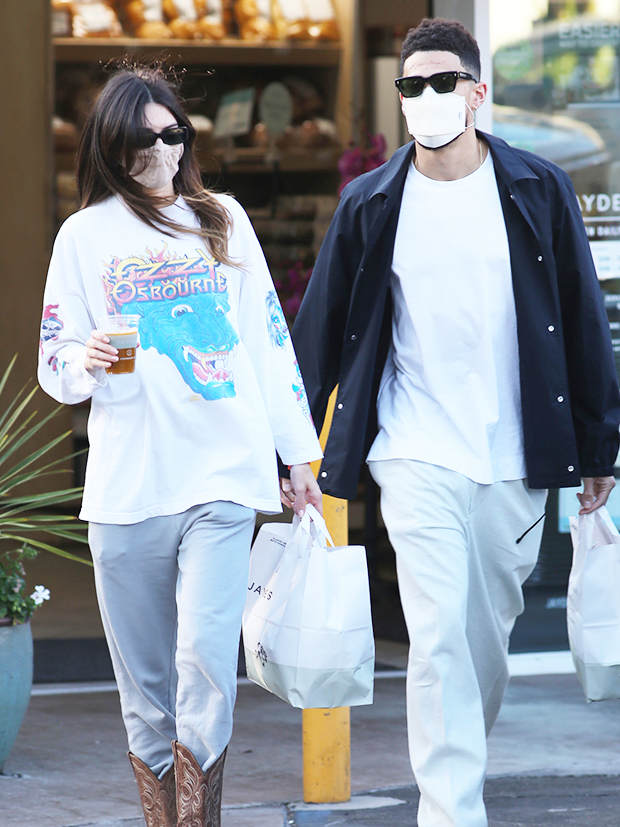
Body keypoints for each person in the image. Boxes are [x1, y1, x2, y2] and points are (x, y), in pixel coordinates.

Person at [289, 17, 620, 827]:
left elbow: (582, 318)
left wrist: (598, 444)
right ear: (400, 98)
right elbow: (319, 331)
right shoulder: (371, 202)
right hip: (415, 451)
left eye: (444, 82)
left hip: (514, 454)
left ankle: (459, 770)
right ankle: (450, 812)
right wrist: (292, 446)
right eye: (413, 85)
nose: (428, 96)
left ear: (478, 93)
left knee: (483, 643)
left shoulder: (537, 188)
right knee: (437, 638)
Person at [38, 65, 322, 827]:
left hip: (222, 475)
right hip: (128, 484)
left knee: (205, 661)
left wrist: (297, 455)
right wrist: (85, 358)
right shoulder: (84, 235)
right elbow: (54, 363)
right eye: (144, 140)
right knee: (145, 689)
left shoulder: (221, 219)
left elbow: (267, 338)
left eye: (175, 134)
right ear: (111, 147)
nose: (163, 150)